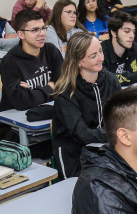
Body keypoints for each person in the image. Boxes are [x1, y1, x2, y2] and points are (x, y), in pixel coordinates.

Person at [52, 32, 121, 177]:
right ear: (78, 61)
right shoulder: (65, 92)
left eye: (100, 51)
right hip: (74, 155)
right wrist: (116, 133)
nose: (101, 58)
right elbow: (83, 135)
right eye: (93, 56)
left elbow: (122, 116)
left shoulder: (110, 80)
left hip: (106, 148)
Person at [0, 9, 63, 112]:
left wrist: (32, 91)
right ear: (21, 34)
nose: (42, 33)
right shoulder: (9, 62)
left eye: (43, 28)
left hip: (49, 111)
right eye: (35, 30)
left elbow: (63, 86)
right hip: (15, 122)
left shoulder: (50, 51)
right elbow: (21, 101)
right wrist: (50, 87)